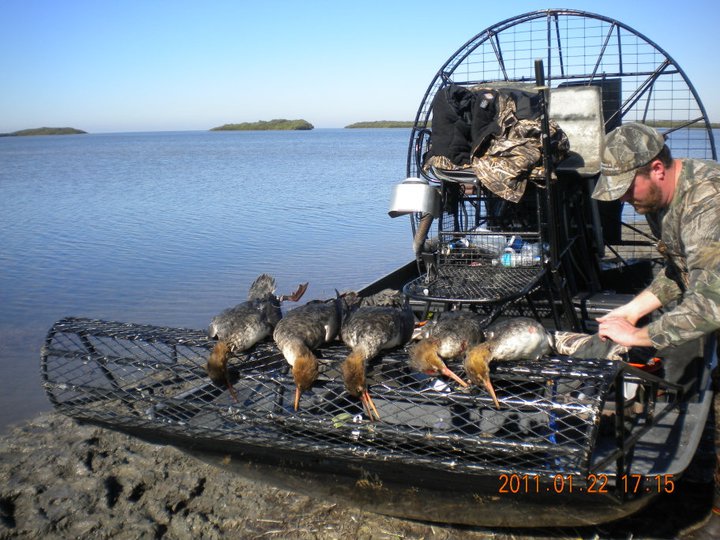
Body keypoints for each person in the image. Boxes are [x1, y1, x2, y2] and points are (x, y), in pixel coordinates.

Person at [592, 122, 720, 537]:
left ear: (657, 169)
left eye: (629, 188)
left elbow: (713, 300)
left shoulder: (707, 201)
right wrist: (631, 311)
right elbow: (678, 273)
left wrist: (643, 336)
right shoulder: (661, 201)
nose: (627, 200)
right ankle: (697, 490)